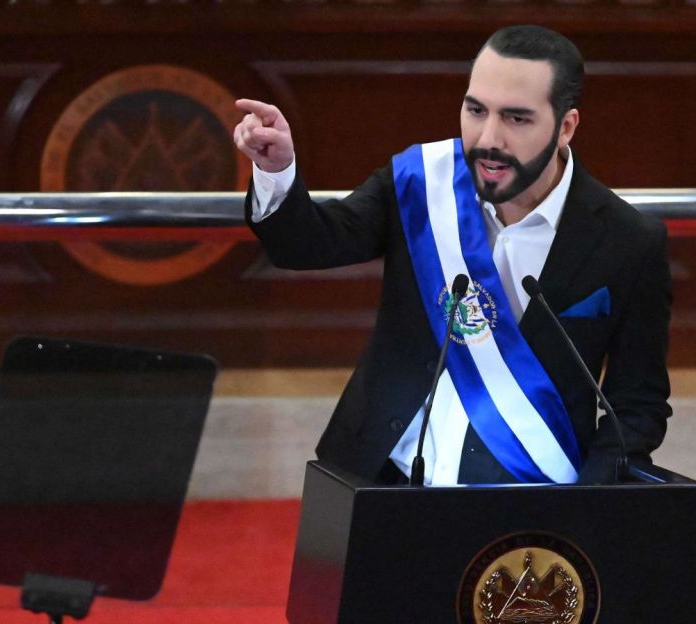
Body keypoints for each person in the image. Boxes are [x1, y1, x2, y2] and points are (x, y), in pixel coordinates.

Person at [233, 24, 671, 486]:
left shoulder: (628, 241)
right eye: (476, 110)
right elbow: (306, 245)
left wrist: (585, 504)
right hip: (382, 477)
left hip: (531, 496)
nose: (488, 138)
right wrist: (275, 169)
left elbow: (637, 406)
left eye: (516, 118)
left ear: (566, 127)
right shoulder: (423, 183)